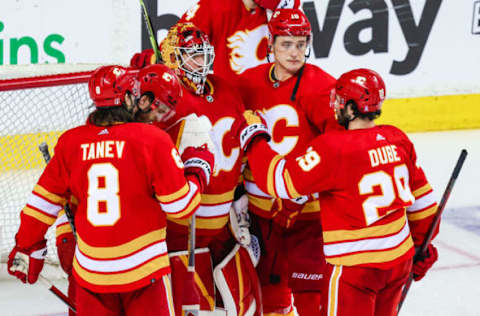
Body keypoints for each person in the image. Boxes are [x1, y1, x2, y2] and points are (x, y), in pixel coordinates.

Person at [7, 64, 214, 316]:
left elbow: (41, 205)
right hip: (145, 274)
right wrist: (198, 166)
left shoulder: (71, 142)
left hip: (91, 277)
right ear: (127, 98)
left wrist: (27, 247)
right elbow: (180, 207)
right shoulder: (152, 140)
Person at [235, 68, 440, 316]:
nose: (336, 107)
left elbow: (281, 182)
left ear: (352, 109)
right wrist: (421, 247)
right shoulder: (396, 138)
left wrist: (255, 138)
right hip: (399, 262)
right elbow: (425, 206)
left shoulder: (332, 148)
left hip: (355, 270)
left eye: (341, 102)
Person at [134, 24, 263, 316]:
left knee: (247, 305)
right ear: (173, 60)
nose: (201, 63)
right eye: (192, 56)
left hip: (225, 225)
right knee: (192, 309)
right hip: (181, 229)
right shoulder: (166, 101)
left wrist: (241, 202)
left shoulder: (227, 90)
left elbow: (237, 152)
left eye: (204, 55)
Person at [236, 8, 339, 315]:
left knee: (312, 300)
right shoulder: (248, 83)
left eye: (300, 43)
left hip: (307, 218)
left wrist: (298, 196)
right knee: (268, 299)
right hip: (259, 217)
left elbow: (334, 150)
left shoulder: (323, 88)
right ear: (271, 44)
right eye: (286, 44)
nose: (295, 52)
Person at [130, 0, 299, 86]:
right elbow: (176, 45)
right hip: (234, 109)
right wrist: (152, 62)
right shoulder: (217, 6)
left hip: (275, 102)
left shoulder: (283, 8)